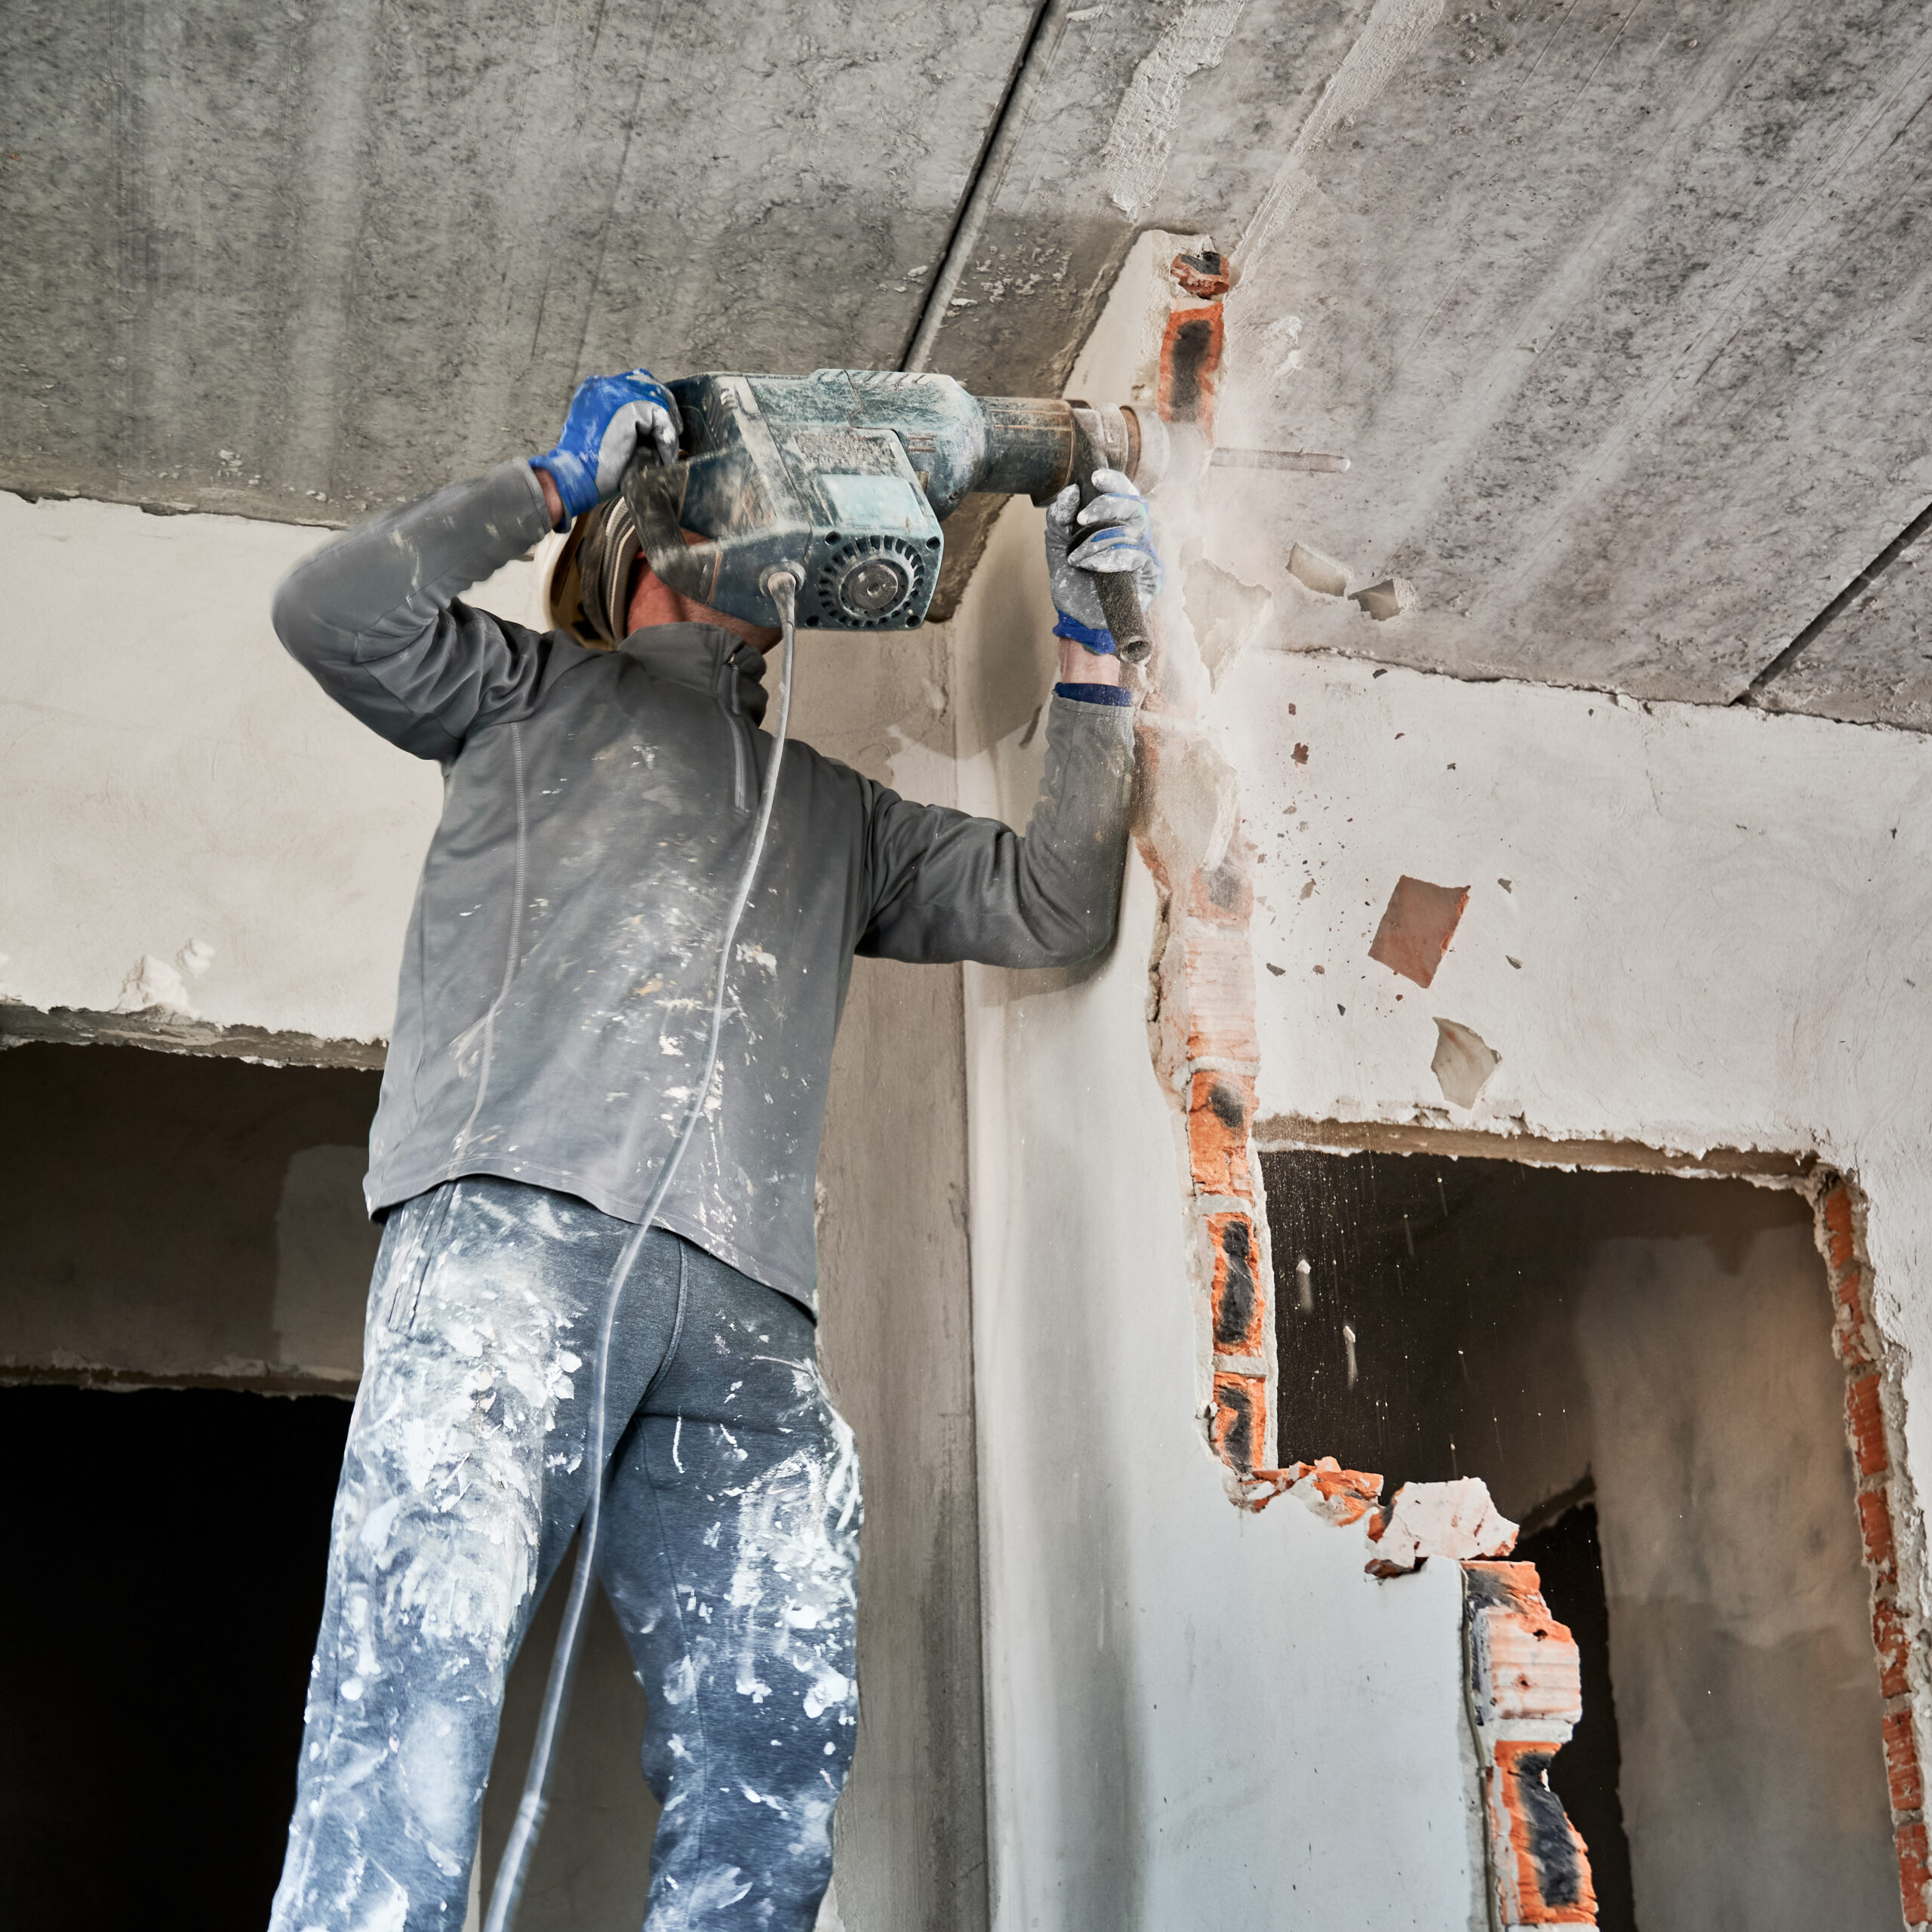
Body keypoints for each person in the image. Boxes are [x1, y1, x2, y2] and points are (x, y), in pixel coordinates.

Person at [265, 368, 1161, 1931]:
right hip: (512, 1248)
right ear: (641, 549)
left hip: (746, 1322)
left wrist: (1099, 656)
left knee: (773, 1751)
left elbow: (1050, 904)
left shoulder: (834, 815)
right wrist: (549, 481)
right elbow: (329, 610)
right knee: (417, 1684)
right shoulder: (522, 697)